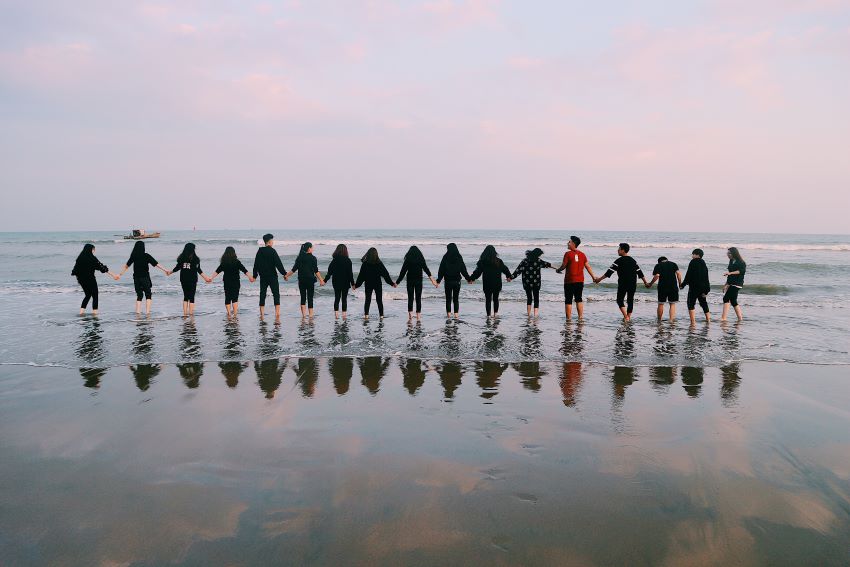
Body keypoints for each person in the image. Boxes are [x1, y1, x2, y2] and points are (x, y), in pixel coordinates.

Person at [594, 243, 649, 321]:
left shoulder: (618, 261)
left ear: (623, 250)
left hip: (623, 283)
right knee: (630, 300)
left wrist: (599, 279)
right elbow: (640, 272)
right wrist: (645, 282)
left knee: (619, 300)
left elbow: (609, 272)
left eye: (619, 249)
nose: (618, 250)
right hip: (633, 283)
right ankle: (628, 317)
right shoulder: (633, 260)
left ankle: (626, 316)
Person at [117, 241, 169, 314]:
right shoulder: (146, 255)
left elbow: (126, 266)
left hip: (136, 278)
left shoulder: (133, 256)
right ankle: (147, 313)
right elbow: (156, 264)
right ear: (143, 247)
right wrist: (165, 270)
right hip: (144, 277)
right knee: (148, 294)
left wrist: (120, 274)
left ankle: (138, 313)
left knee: (139, 295)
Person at [555, 236, 597, 320]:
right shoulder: (582, 254)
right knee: (579, 299)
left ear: (573, 244)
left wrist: (558, 270)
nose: (568, 243)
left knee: (568, 300)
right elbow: (588, 267)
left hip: (569, 281)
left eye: (569, 242)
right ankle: (580, 317)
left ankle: (569, 319)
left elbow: (563, 266)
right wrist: (593, 277)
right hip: (580, 281)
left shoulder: (567, 254)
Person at [71, 243, 119, 315]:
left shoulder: (79, 258)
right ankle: (95, 314)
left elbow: (75, 271)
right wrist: (113, 275)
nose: (94, 251)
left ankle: (81, 313)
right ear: (91, 250)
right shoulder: (92, 258)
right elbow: (102, 268)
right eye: (93, 249)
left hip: (82, 280)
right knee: (95, 295)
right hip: (91, 279)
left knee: (87, 295)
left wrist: (81, 278)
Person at [167, 243, 211, 316]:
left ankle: (185, 314)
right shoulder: (196, 259)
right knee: (191, 297)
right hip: (192, 279)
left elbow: (177, 268)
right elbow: (198, 270)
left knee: (186, 296)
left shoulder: (181, 258)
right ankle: (191, 314)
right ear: (193, 249)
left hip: (183, 279)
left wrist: (170, 272)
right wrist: (206, 278)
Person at [469, 245, 512, 318]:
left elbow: (477, 272)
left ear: (485, 252)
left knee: (488, 299)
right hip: (497, 283)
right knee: (496, 299)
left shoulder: (482, 261)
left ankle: (488, 315)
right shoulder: (498, 261)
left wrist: (471, 279)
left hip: (487, 283)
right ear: (494, 252)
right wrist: (509, 276)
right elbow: (505, 269)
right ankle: (495, 315)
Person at [210, 246, 254, 317]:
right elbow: (244, 270)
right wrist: (250, 277)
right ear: (234, 253)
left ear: (225, 253)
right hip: (236, 282)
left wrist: (211, 278)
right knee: (235, 298)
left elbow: (217, 271)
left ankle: (229, 314)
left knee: (227, 297)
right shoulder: (237, 262)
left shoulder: (224, 263)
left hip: (227, 282)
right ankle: (235, 314)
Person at [285, 242, 325, 319]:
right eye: (312, 247)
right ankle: (310, 316)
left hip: (302, 280)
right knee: (310, 298)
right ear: (309, 248)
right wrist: (321, 280)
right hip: (310, 280)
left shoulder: (299, 258)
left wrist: (286, 276)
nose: (313, 249)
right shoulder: (313, 258)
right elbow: (316, 271)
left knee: (303, 298)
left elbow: (293, 270)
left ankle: (303, 316)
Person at [396, 246, 437, 320]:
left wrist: (397, 283)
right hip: (418, 281)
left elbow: (402, 272)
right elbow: (426, 270)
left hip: (410, 281)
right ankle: (418, 316)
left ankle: (410, 316)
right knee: (418, 298)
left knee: (410, 298)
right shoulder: (420, 259)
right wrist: (433, 281)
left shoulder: (408, 260)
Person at [354, 247, 396, 319]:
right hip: (377, 284)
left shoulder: (365, 264)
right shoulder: (379, 264)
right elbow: (386, 274)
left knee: (368, 300)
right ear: (376, 254)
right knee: (379, 300)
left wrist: (356, 285)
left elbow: (361, 276)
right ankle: (381, 316)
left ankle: (366, 316)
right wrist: (391, 283)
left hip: (368, 283)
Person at [252, 233, 286, 321]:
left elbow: (256, 264)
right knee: (276, 294)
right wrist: (284, 274)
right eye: (272, 240)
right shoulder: (273, 251)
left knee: (262, 294)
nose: (273, 242)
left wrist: (255, 276)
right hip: (272, 277)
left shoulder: (259, 251)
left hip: (263, 277)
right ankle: (277, 314)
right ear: (269, 242)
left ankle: (262, 314)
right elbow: (278, 264)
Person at [512, 248, 553, 318]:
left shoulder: (525, 261)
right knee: (536, 298)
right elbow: (547, 264)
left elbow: (518, 270)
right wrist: (557, 268)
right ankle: (535, 315)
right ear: (537, 254)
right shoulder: (538, 261)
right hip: (536, 282)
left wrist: (511, 277)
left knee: (529, 298)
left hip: (526, 282)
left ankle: (528, 314)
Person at [436, 243, 470, 319]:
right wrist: (468, 279)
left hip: (448, 281)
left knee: (448, 299)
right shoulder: (459, 257)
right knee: (456, 299)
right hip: (457, 281)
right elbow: (463, 269)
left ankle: (448, 315)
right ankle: (456, 315)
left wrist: (438, 280)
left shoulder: (445, 257)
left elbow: (441, 269)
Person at [681, 248, 711, 325]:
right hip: (703, 287)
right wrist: (707, 289)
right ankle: (708, 320)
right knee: (703, 303)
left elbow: (689, 274)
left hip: (694, 287)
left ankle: (693, 322)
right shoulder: (703, 263)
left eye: (693, 254)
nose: (692, 255)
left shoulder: (693, 262)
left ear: (697, 255)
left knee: (690, 303)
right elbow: (706, 277)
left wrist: (683, 284)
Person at [325, 244, 355, 320]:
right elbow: (350, 274)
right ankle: (344, 316)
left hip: (336, 282)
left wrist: (325, 280)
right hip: (345, 282)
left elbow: (329, 272)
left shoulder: (334, 260)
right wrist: (353, 284)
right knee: (344, 299)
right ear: (345, 251)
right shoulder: (348, 260)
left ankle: (336, 316)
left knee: (337, 298)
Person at [647, 256, 682, 321]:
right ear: (667, 260)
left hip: (662, 287)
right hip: (673, 286)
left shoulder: (658, 265)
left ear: (659, 261)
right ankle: (671, 321)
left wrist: (650, 284)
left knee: (661, 303)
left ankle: (659, 320)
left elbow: (657, 275)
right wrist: (680, 284)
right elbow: (678, 274)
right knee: (672, 304)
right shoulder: (673, 264)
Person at [722, 247, 746, 322]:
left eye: (729, 253)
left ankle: (724, 318)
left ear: (734, 253)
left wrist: (730, 273)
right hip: (731, 283)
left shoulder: (741, 262)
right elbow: (729, 275)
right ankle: (740, 318)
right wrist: (726, 284)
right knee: (733, 301)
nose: (728, 254)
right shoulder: (731, 261)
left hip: (737, 283)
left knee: (726, 298)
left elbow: (741, 271)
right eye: (727, 253)